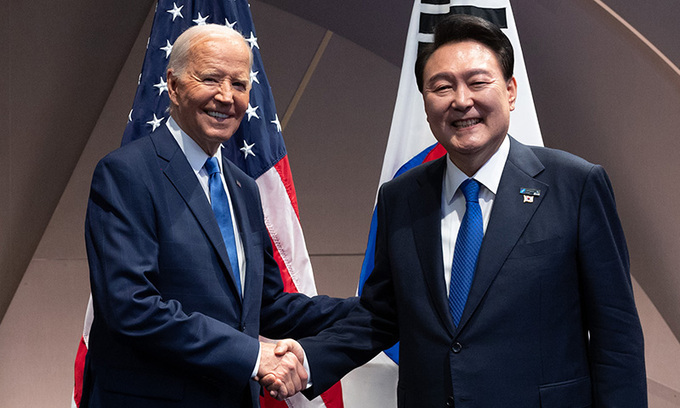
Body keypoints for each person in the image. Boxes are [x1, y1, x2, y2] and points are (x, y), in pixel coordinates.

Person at [290, 14, 647, 407]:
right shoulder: (401, 197)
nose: (461, 101)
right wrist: (308, 361)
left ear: (510, 91)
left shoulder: (575, 185)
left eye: (477, 82)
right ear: (426, 103)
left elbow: (617, 335)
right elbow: (381, 316)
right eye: (442, 87)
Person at [80, 24, 355, 408]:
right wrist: (252, 356)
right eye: (210, 79)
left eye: (239, 84)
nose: (226, 97)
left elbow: (266, 307)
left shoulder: (244, 189)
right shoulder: (127, 174)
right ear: (173, 86)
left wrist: (368, 307)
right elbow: (131, 306)